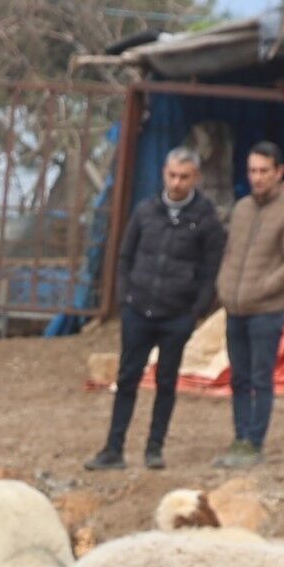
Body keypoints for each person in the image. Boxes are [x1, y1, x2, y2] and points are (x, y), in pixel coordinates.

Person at [93, 150, 222, 470]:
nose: (177, 183)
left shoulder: (206, 219)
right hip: (138, 311)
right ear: (164, 173)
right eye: (172, 175)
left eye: (184, 177)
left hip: (177, 316)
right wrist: (126, 297)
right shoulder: (145, 211)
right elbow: (125, 256)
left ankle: (154, 448)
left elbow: (211, 269)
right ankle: (113, 448)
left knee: (166, 382)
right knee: (127, 379)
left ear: (196, 178)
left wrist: (196, 311)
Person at [216, 143, 284, 463]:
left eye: (263, 171)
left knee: (260, 378)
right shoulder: (241, 208)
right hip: (235, 308)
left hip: (266, 313)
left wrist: (264, 287)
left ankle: (254, 443)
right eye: (252, 170)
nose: (257, 177)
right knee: (238, 377)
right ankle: (239, 438)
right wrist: (224, 286)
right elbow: (230, 252)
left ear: (279, 172)